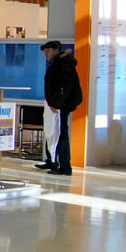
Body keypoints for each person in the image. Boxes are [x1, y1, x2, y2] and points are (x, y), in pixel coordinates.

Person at [36, 40, 82, 176]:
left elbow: (64, 87)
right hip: (56, 104)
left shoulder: (62, 65)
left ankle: (64, 166)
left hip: (61, 105)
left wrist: (56, 103)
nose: (46, 54)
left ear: (56, 51)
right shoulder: (56, 64)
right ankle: (52, 160)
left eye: (49, 51)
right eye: (45, 52)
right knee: (51, 131)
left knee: (60, 134)